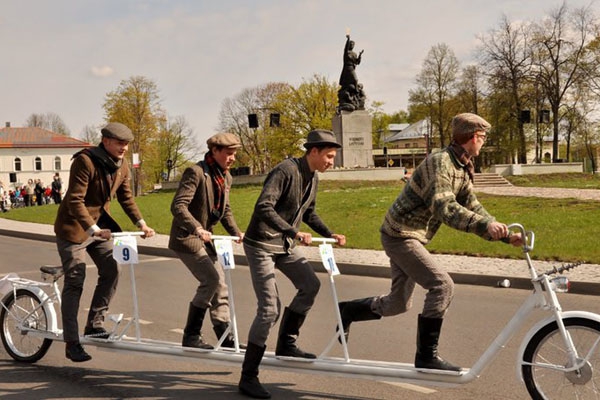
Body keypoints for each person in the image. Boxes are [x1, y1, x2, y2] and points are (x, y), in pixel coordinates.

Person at [337, 113, 523, 372]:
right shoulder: (440, 163)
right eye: (481, 137)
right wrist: (485, 226)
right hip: (399, 234)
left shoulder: (460, 166)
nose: (483, 142)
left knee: (398, 303)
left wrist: (502, 234)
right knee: (442, 285)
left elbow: (472, 206)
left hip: (411, 236)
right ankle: (426, 356)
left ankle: (346, 311)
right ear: (470, 138)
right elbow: (444, 207)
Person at [238, 129, 347, 399]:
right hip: (262, 244)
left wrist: (329, 233)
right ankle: (248, 376)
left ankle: (286, 342)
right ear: (313, 152)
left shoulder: (313, 178)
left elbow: (308, 212)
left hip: (284, 245)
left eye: (333, 157)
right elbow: (264, 207)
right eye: (329, 156)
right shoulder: (285, 171)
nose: (331, 162)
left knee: (310, 284)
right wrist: (293, 232)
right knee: (268, 310)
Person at [54, 122, 155, 363]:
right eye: (120, 143)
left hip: (99, 228)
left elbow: (126, 198)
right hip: (74, 229)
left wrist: (141, 223)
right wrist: (94, 230)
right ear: (106, 141)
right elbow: (75, 201)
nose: (124, 148)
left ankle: (95, 325)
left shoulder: (122, 165)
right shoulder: (85, 161)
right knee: (76, 280)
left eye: (127, 144)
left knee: (112, 268)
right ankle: (71, 342)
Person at [168, 132, 245, 350]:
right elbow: (178, 206)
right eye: (229, 154)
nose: (232, 159)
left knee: (221, 285)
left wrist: (237, 232)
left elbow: (225, 210)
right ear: (215, 151)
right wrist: (197, 228)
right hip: (187, 237)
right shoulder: (196, 172)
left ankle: (226, 338)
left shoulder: (225, 176)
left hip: (206, 238)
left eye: (234, 154)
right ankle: (191, 336)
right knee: (210, 279)